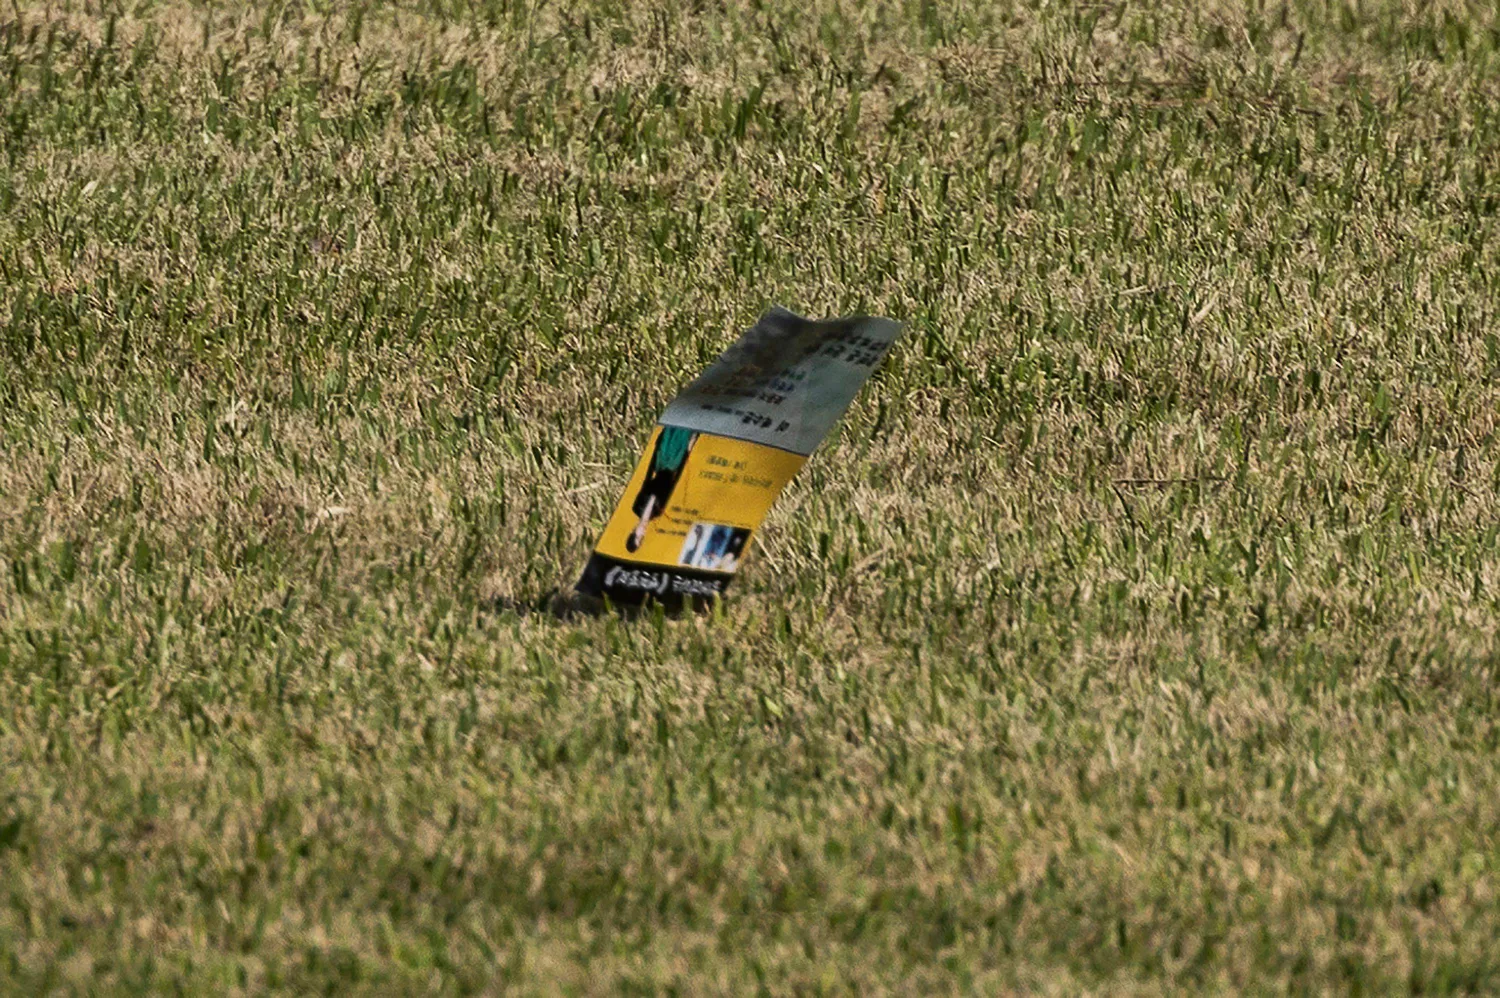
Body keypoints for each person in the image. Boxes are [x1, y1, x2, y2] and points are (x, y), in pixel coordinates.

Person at [626, 425, 698, 553]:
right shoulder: (658, 513)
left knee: (672, 430)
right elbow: (673, 484)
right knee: (685, 434)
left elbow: (647, 479)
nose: (642, 533)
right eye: (641, 538)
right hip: (674, 464)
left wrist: (656, 449)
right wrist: (688, 450)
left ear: (633, 531)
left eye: (637, 535)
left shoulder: (636, 507)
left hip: (662, 461)